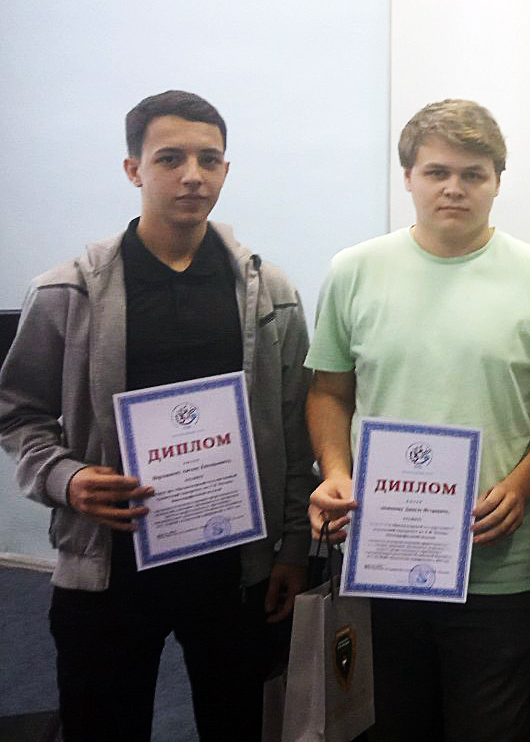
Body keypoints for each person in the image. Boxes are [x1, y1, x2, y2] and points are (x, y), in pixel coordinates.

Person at [0, 90, 315, 741]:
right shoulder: (67, 291)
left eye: (209, 159)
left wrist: (291, 546)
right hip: (109, 563)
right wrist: (65, 478)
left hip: (232, 566)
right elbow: (17, 413)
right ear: (133, 169)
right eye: (170, 158)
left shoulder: (271, 294)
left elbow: (291, 426)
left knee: (238, 725)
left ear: (226, 170)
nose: (192, 175)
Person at [306, 98, 530, 741]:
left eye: (473, 174)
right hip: (382, 556)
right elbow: (328, 392)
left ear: (497, 181)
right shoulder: (353, 271)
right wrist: (336, 471)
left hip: (500, 569)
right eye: (436, 172)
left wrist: (523, 484)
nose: (454, 188)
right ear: (408, 177)